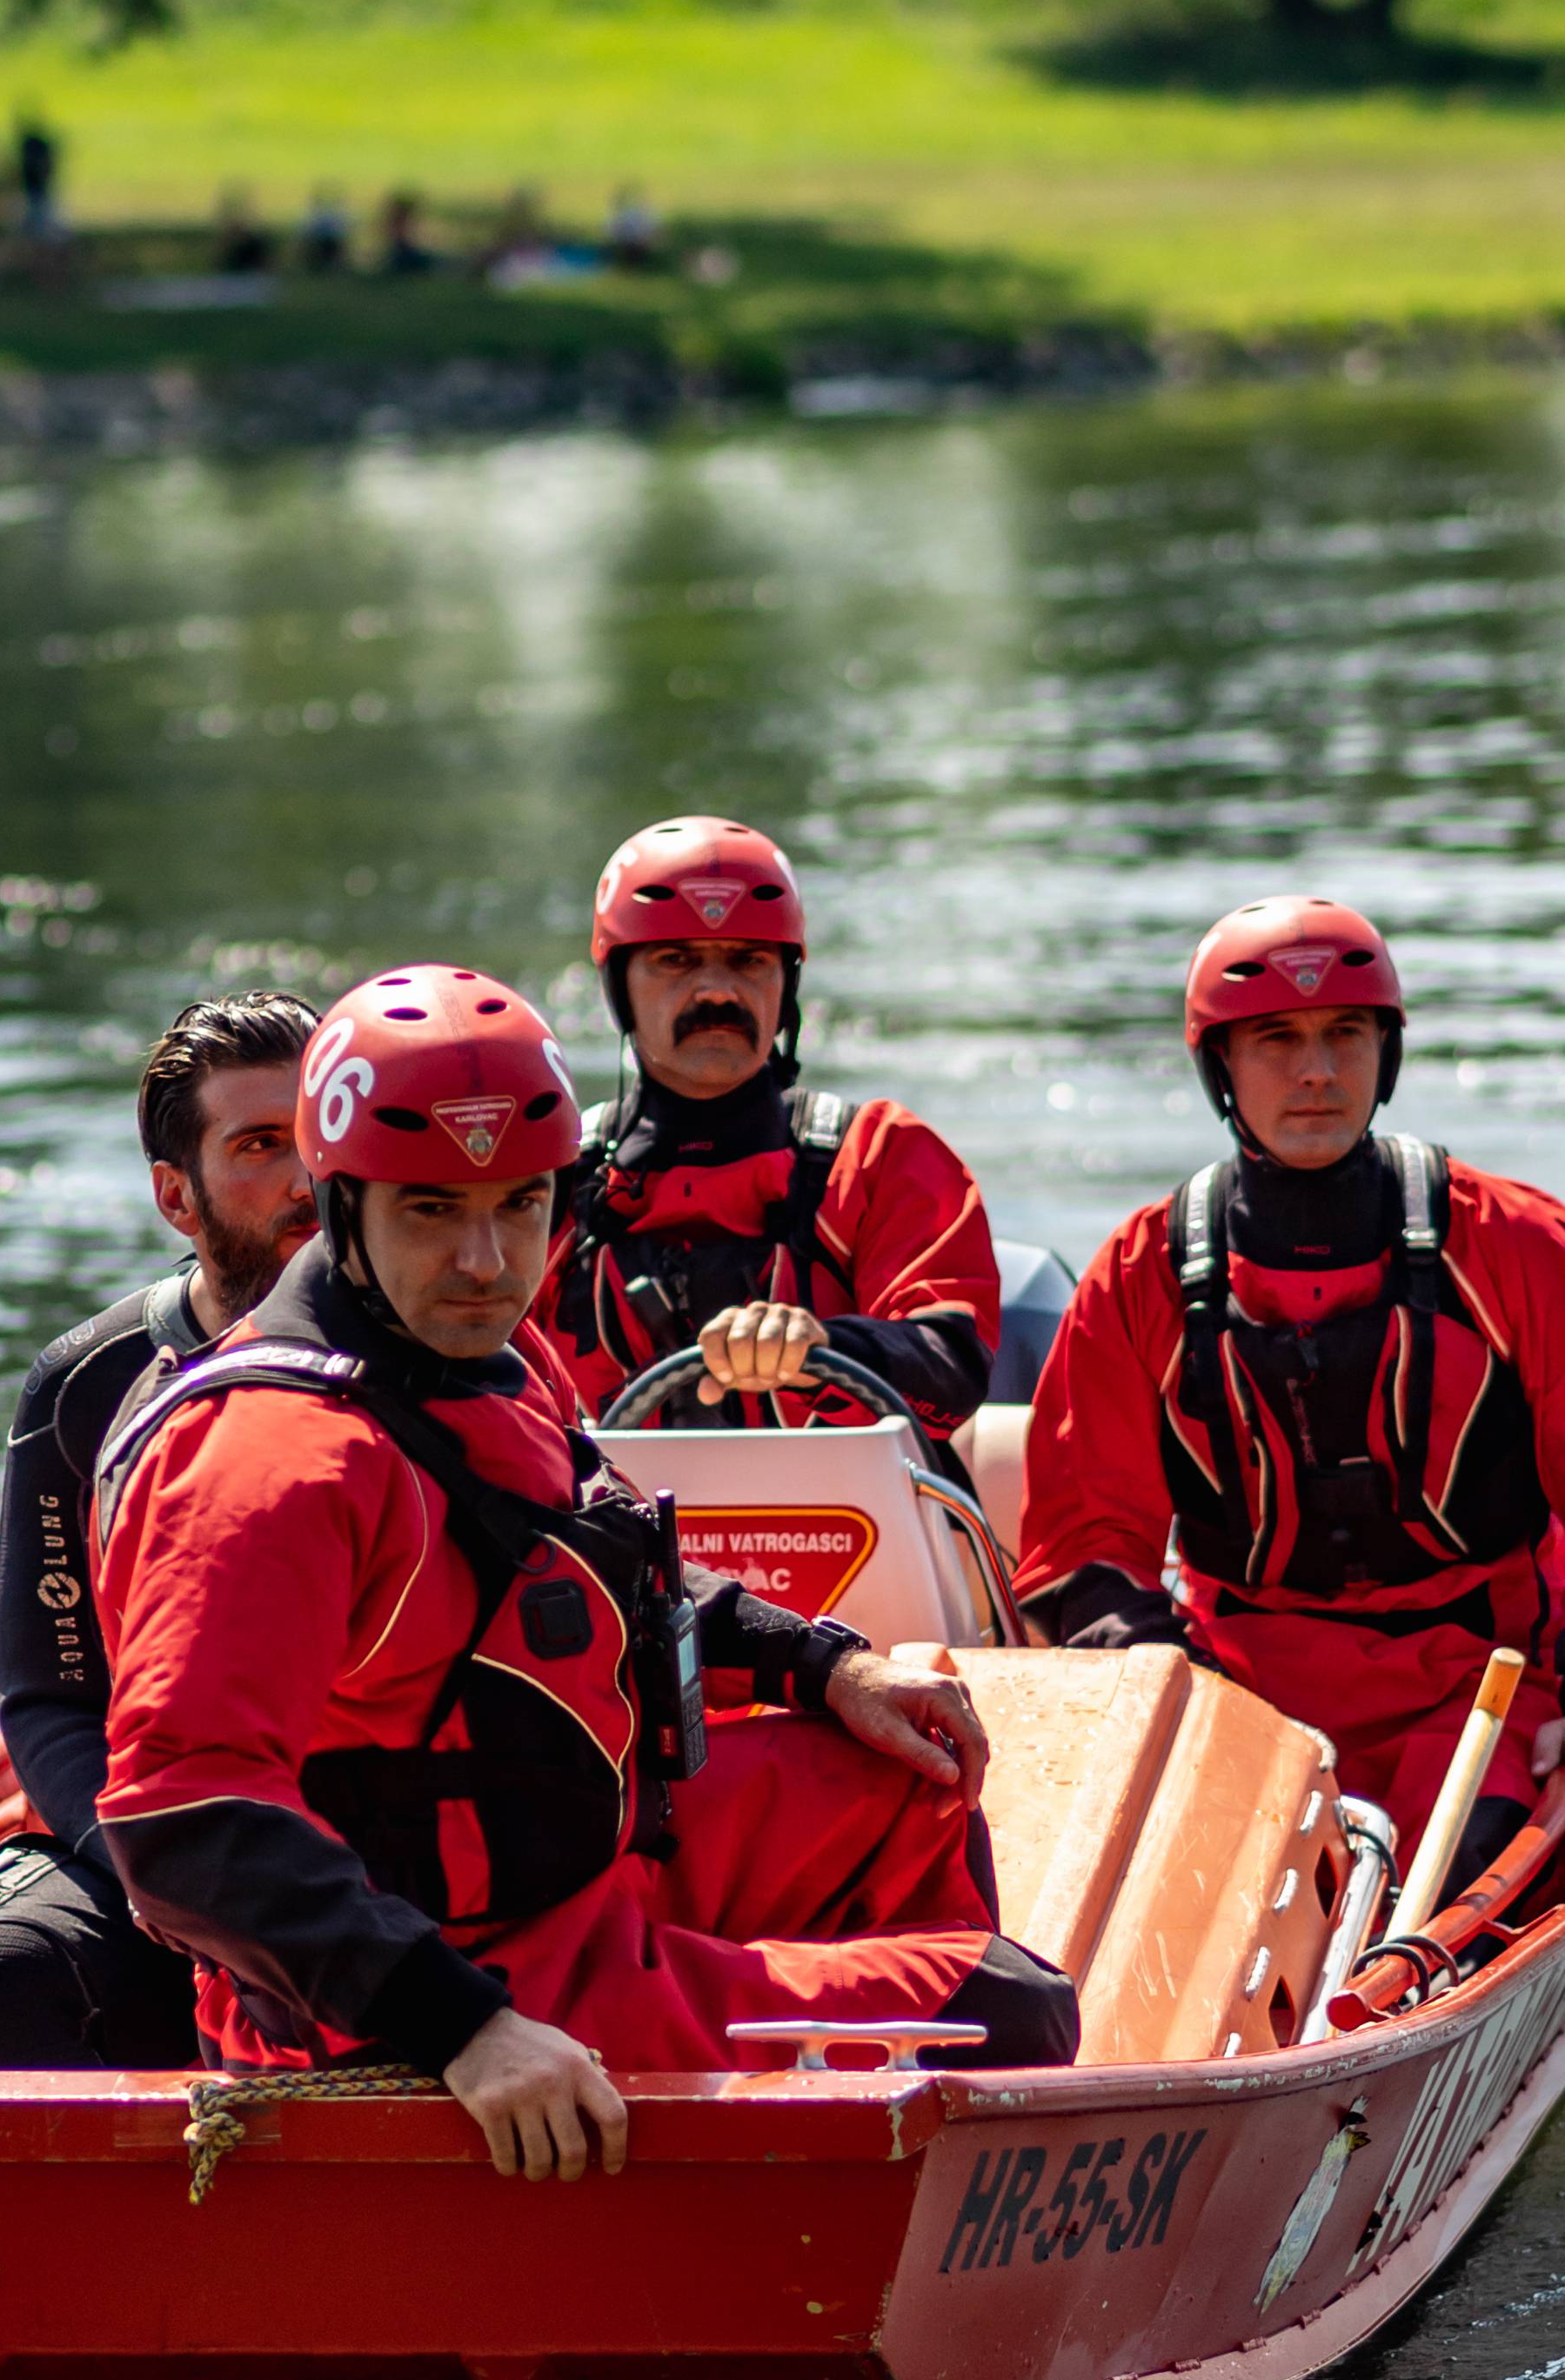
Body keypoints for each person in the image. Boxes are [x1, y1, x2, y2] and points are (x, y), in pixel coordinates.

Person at [91, 967, 1076, 2171]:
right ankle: (835, 2193)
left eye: (520, 1206)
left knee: (908, 1771)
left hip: (575, 1889)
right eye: (430, 1213)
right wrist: (468, 2031)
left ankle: (831, 2157)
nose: (485, 1260)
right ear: (339, 1205)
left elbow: (611, 1565)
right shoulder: (272, 1463)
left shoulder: (489, 1357)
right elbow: (182, 1818)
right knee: (1012, 2012)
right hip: (427, 1994)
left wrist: (830, 1664)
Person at [1015, 892, 1565, 1875]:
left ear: (1385, 1055)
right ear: (1218, 1063)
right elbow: (1084, 1547)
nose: (1316, 1071)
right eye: (1275, 1039)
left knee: (1458, 1875)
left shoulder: (1518, 1246)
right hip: (1243, 1696)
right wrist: (1174, 1707)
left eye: (1344, 1034)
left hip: (1485, 1695)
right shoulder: (1139, 1274)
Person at [0, 993, 320, 2069]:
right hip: (159, 1839)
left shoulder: (446, 1353)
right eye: (261, 1145)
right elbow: (47, 1696)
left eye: (322, 1132)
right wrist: (150, 1870)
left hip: (382, 1833)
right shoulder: (88, 1385)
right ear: (175, 1197)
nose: (306, 1177)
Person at [537, 814, 1000, 1447]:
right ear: (619, 986)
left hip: (854, 1532)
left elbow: (953, 1366)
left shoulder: (878, 1156)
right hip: (615, 1534)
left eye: (749, 960)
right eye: (676, 960)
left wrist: (820, 1347)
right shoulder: (552, 1181)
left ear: (787, 986)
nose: (718, 991)